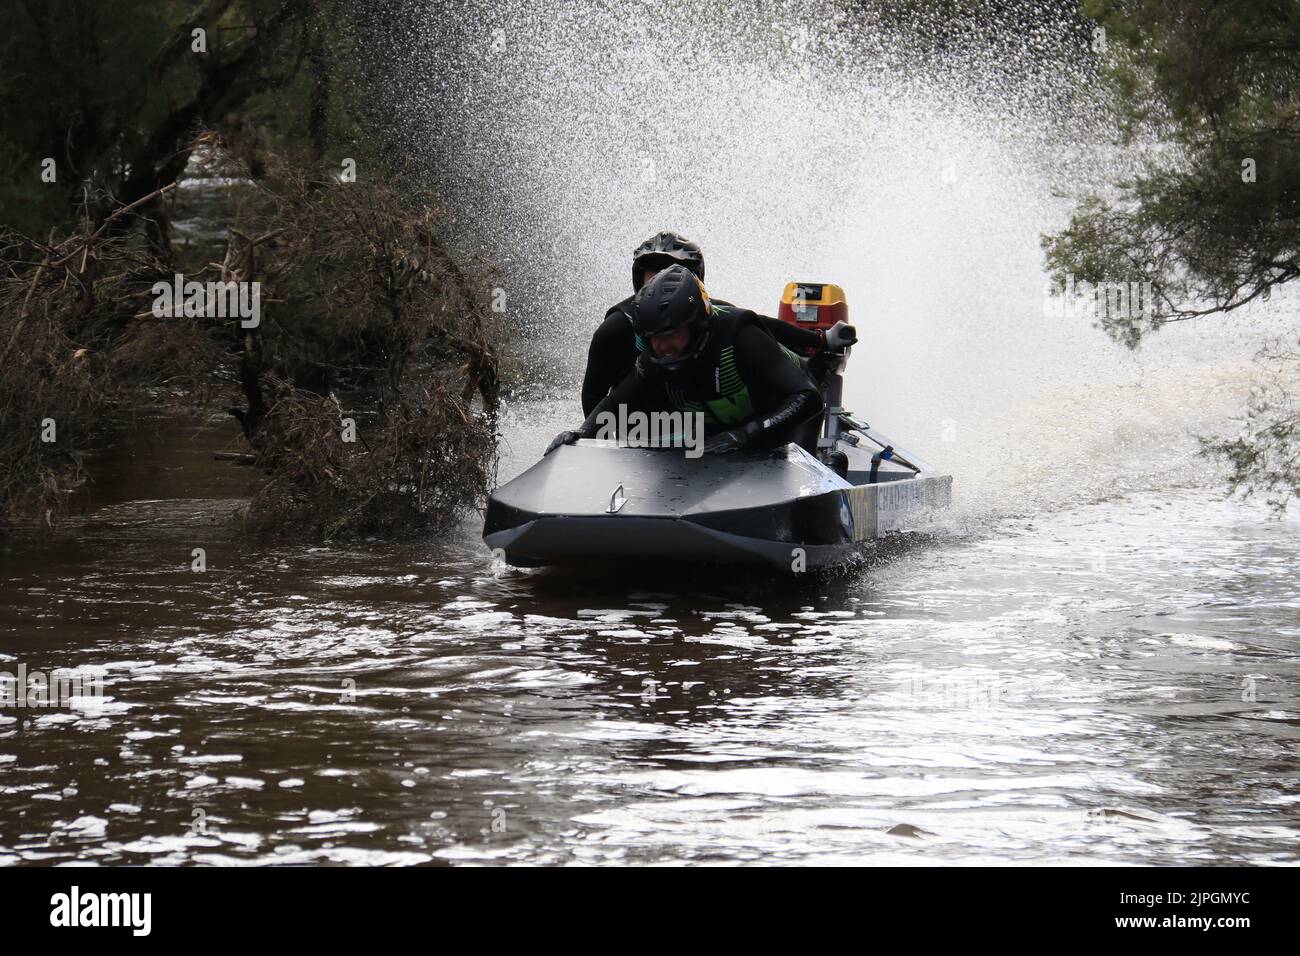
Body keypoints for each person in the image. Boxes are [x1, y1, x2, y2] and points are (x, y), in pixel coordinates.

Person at [552, 265, 825, 456]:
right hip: (724, 434)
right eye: (653, 337)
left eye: (671, 334)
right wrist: (580, 433)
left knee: (792, 474)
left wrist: (743, 435)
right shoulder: (654, 359)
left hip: (789, 420)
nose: (662, 346)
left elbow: (807, 396)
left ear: (695, 327)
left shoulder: (739, 337)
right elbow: (615, 404)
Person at [581, 231, 855, 416]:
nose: (662, 282)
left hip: (702, 425)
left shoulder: (718, 318)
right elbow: (593, 399)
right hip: (652, 430)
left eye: (672, 274)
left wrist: (819, 341)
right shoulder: (615, 329)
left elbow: (759, 325)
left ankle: (817, 367)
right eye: (654, 275)